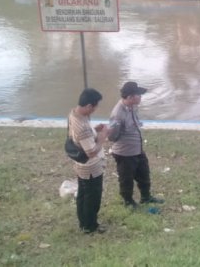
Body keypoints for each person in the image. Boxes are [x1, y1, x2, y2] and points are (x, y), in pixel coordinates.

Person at [108, 81, 164, 209]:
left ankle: (146, 197)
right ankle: (128, 202)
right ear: (130, 97)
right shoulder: (118, 114)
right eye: (138, 95)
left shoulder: (133, 106)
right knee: (126, 179)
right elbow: (112, 136)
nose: (141, 97)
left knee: (144, 174)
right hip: (125, 152)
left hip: (137, 149)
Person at [69, 88, 109, 233]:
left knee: (83, 195)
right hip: (91, 168)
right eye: (95, 106)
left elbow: (83, 137)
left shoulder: (74, 114)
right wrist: (103, 136)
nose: (96, 109)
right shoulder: (83, 127)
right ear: (88, 106)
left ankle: (83, 223)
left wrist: (95, 129)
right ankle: (90, 226)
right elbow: (91, 151)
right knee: (92, 198)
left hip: (80, 166)